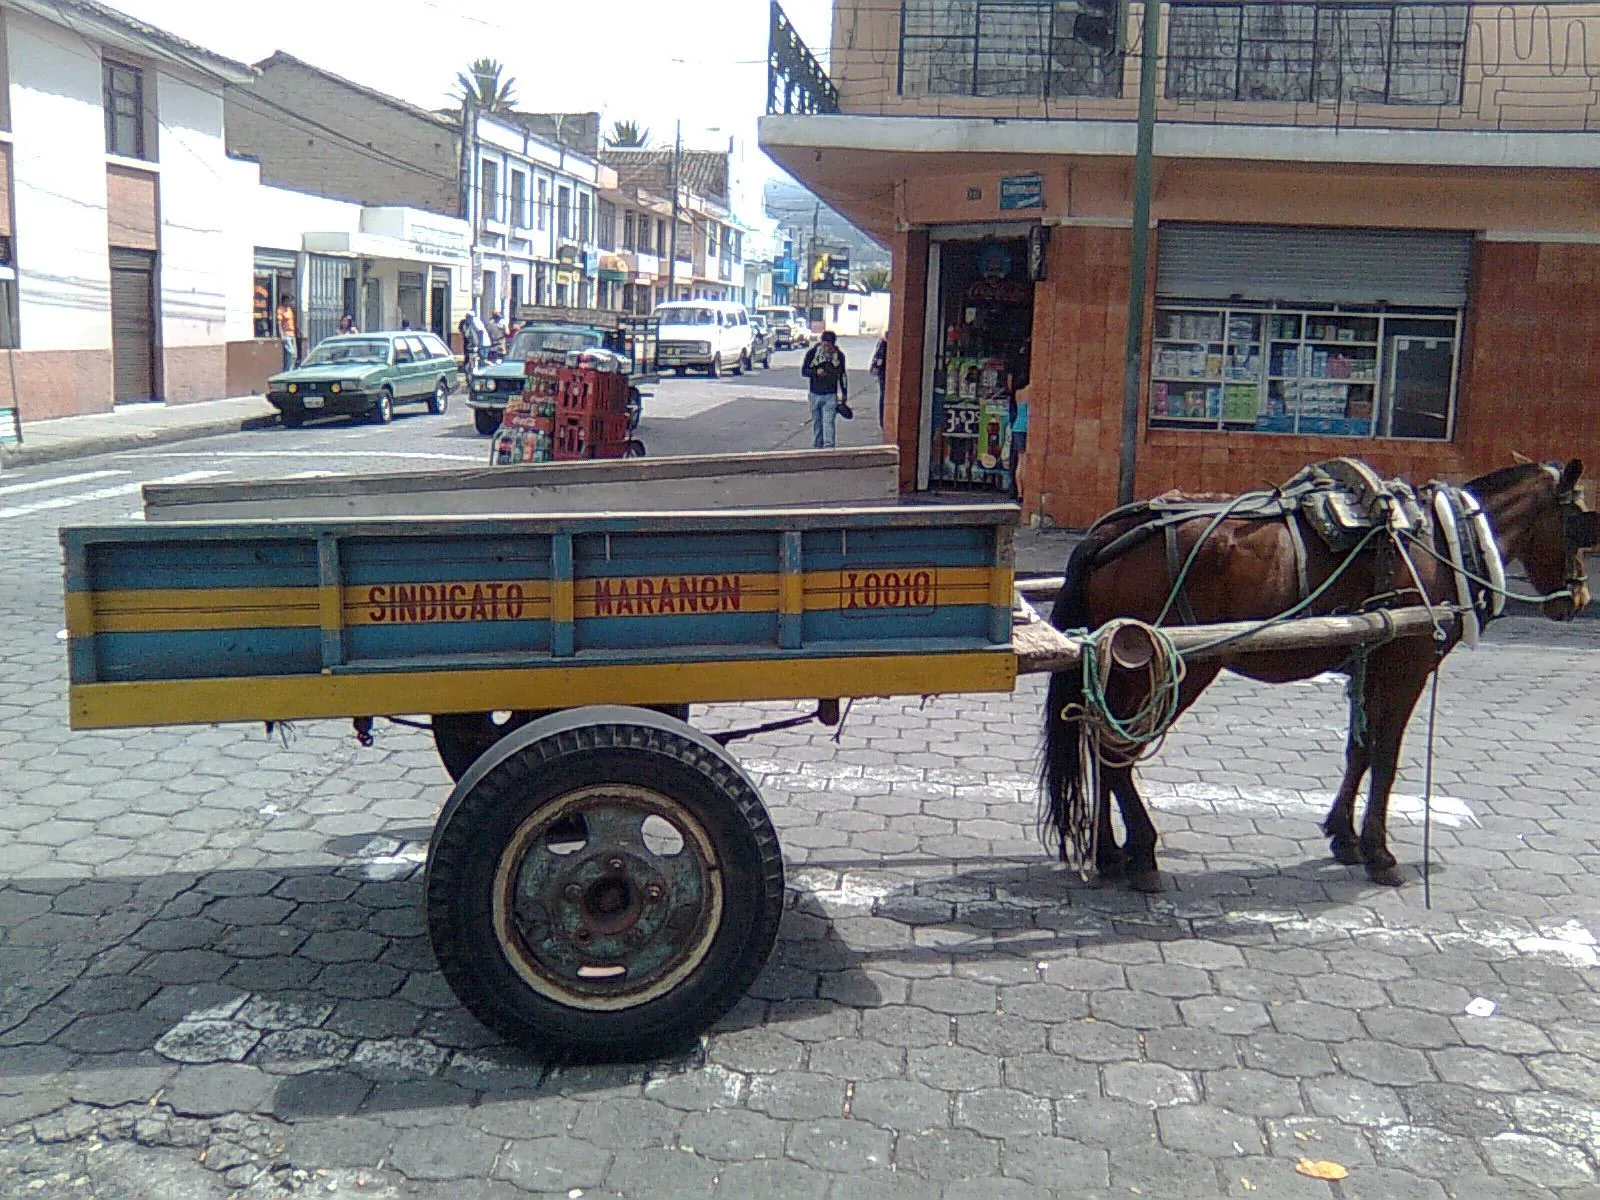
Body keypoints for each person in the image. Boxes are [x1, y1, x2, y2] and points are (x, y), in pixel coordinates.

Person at [801, 330, 848, 450]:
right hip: (814, 393)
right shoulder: (813, 353)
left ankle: (829, 448)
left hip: (830, 394)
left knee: (828, 423)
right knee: (817, 424)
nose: (826, 348)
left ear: (833, 345)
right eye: (824, 345)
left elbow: (842, 375)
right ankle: (817, 447)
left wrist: (844, 394)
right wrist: (815, 372)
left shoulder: (839, 356)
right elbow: (804, 371)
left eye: (829, 345)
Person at [870, 333, 888, 429]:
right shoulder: (884, 343)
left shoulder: (882, 342)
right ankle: (883, 421)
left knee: (883, 396)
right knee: (884, 396)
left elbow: (878, 358)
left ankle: (882, 421)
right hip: (884, 372)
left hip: (882, 372)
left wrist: (875, 368)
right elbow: (879, 357)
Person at [276, 296, 298, 371]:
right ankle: (288, 370)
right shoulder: (281, 310)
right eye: (288, 301)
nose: (289, 302)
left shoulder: (289, 309)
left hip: (292, 334)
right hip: (286, 334)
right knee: (290, 353)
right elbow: (279, 323)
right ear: (284, 301)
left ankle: (290, 370)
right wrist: (282, 334)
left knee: (294, 355)